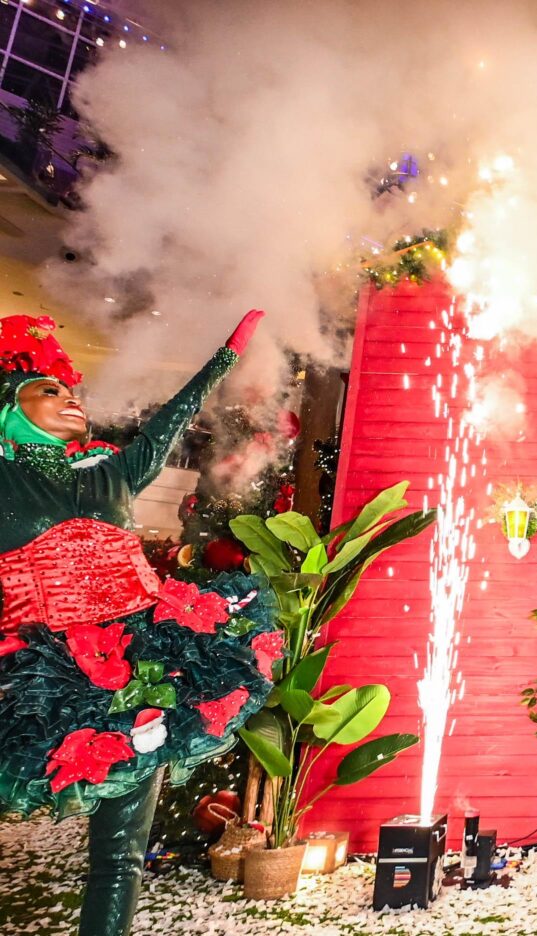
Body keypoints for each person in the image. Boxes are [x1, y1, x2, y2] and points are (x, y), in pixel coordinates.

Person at [0, 311, 281, 936]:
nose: (69, 398)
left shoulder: (113, 473)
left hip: (140, 665)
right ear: (6, 409)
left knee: (120, 857)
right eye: (48, 390)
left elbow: (170, 420)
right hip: (35, 677)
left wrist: (225, 357)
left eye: (71, 391)